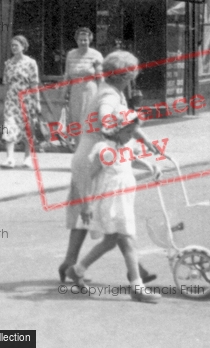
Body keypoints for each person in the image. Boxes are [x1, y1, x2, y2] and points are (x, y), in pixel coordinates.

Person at [59, 50, 160, 286]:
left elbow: (127, 121)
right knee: (101, 214)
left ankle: (72, 263)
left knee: (95, 215)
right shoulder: (110, 96)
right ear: (125, 76)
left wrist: (145, 141)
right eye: (132, 74)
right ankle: (130, 272)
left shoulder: (111, 91)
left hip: (93, 153)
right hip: (96, 156)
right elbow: (108, 113)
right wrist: (109, 130)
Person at [64, 114, 163, 302]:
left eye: (133, 132)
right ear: (115, 131)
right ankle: (137, 287)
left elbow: (130, 160)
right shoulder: (104, 150)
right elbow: (86, 178)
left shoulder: (124, 146)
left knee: (110, 241)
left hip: (123, 201)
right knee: (127, 240)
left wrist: (150, 166)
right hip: (110, 203)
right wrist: (86, 205)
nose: (131, 136)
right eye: (128, 132)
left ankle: (77, 270)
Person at [0, 35, 41, 169]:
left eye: (16, 45)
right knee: (9, 126)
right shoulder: (8, 63)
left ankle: (28, 157)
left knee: (27, 128)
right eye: (12, 45)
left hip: (26, 99)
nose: (14, 48)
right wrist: (5, 99)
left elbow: (34, 83)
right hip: (12, 100)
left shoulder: (30, 63)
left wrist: (37, 101)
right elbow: (6, 83)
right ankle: (10, 158)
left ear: (23, 46)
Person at [64, 27, 104, 132]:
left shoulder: (96, 55)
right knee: (76, 118)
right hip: (75, 91)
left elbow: (100, 77)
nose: (83, 42)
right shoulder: (71, 54)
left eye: (85, 40)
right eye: (80, 40)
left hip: (90, 90)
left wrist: (102, 94)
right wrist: (64, 91)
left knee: (89, 118)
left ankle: (90, 145)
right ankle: (78, 146)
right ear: (76, 40)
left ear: (89, 40)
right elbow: (67, 74)